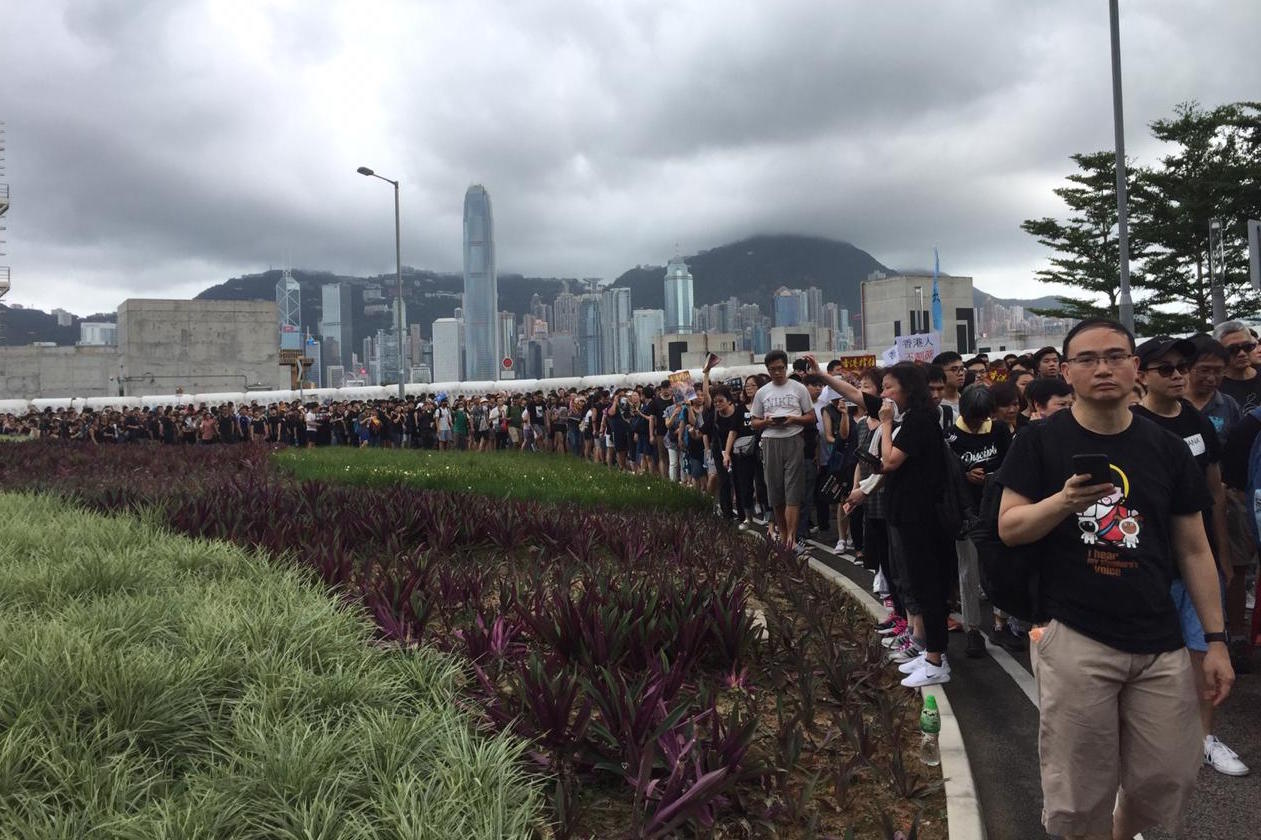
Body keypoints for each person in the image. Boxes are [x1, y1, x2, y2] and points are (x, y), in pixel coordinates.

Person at [997, 318, 1234, 839]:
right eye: (1087, 359)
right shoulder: (1038, 442)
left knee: (1167, 779)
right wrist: (1064, 502)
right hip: (1075, 634)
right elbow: (1010, 527)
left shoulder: (1168, 447)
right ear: (1066, 371)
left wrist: (1215, 641)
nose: (1103, 367)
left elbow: (1194, 549)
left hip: (1160, 640)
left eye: (1115, 356)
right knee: (1079, 795)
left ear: (1135, 368)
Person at [1129, 335, 1245, 776]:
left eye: (1182, 367)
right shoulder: (1131, 426)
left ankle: (1203, 738)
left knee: (1204, 651)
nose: (1179, 375)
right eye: (1167, 369)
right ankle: (1151, 739)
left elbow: (1213, 493)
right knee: (1151, 657)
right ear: (1141, 374)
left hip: (1199, 559)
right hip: (1150, 563)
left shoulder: (1197, 423)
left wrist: (1223, 556)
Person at [947, 385, 1011, 658]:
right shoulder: (950, 436)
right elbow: (948, 474)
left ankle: (1001, 622)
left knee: (999, 568)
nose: (977, 424)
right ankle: (973, 628)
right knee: (968, 571)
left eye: (982, 418)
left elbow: (1010, 463)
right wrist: (965, 475)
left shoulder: (998, 431)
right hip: (967, 513)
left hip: (996, 509)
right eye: (973, 419)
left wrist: (991, 477)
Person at [749, 350, 815, 551]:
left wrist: (794, 419)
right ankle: (784, 534)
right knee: (776, 492)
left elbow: (811, 417)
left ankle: (791, 540)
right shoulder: (762, 392)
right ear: (767, 370)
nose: (777, 372)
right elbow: (754, 422)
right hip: (770, 441)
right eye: (772, 369)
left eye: (780, 368)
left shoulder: (799, 388)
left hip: (793, 438)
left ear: (786, 367)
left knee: (793, 491)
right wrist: (767, 422)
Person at [1214, 320, 1261, 411]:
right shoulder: (1214, 386)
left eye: (1247, 347)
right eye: (1233, 349)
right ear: (1219, 351)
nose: (1242, 353)